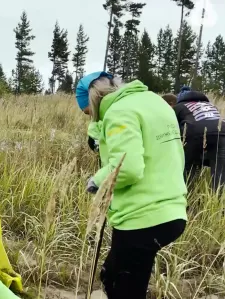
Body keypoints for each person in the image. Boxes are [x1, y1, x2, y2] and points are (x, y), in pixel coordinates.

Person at [75, 72, 188, 299]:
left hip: (143, 216)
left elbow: (127, 167)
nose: (91, 118)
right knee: (115, 274)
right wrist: (99, 131)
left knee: (121, 286)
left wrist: (97, 181)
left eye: (89, 113)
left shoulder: (118, 112)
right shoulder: (153, 101)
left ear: (94, 100)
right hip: (172, 210)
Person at [173, 88, 225, 192]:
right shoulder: (210, 105)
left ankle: (188, 196)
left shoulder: (179, 106)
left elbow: (173, 127)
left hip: (194, 132)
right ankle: (217, 200)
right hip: (223, 132)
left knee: (188, 166)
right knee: (220, 169)